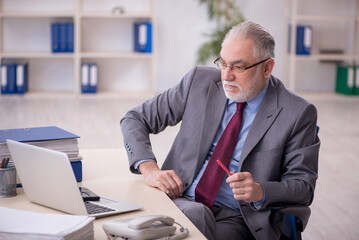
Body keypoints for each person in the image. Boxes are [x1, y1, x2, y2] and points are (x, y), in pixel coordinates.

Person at [120, 20, 320, 240]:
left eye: (238, 66)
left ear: (267, 68)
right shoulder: (199, 81)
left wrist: (259, 190)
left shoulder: (297, 112)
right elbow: (134, 118)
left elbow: (303, 187)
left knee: (190, 222)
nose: (226, 75)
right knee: (192, 215)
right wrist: (150, 169)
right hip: (181, 199)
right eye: (223, 64)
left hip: (238, 216)